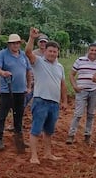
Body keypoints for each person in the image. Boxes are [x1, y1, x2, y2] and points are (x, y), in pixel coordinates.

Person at [25, 28, 67, 164]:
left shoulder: (60, 67)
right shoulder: (38, 62)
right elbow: (27, 52)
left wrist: (64, 101)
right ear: (45, 51)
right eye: (50, 51)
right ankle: (34, 156)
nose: (52, 53)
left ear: (57, 52)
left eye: (55, 51)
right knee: (36, 129)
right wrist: (31, 38)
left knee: (49, 131)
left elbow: (62, 85)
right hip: (40, 100)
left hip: (54, 103)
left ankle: (48, 154)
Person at [0, 33, 32, 152]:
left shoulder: (23, 56)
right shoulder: (2, 54)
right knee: (2, 115)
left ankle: (19, 139)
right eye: (13, 43)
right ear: (9, 44)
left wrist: (29, 86)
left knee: (19, 115)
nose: (15, 45)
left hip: (20, 91)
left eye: (17, 43)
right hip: (6, 90)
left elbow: (28, 71)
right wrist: (3, 73)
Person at [68, 43, 96, 145]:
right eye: (92, 50)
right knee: (78, 113)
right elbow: (71, 74)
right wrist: (75, 86)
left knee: (91, 114)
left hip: (94, 91)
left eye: (95, 50)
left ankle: (87, 135)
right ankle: (71, 135)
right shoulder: (80, 60)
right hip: (81, 90)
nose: (93, 52)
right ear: (88, 50)